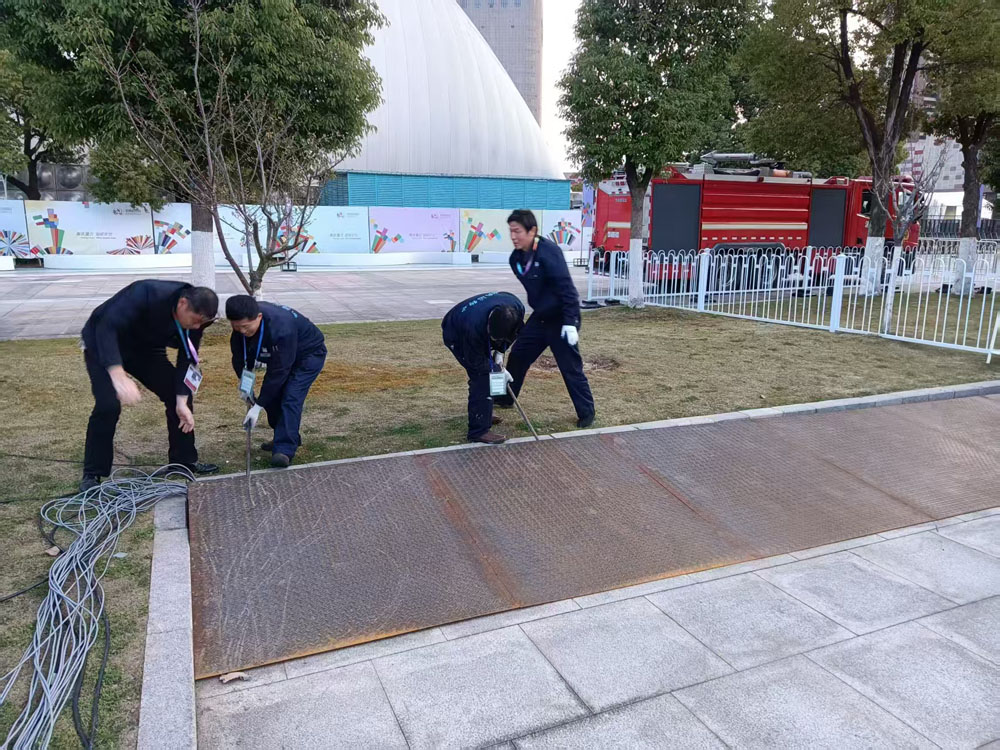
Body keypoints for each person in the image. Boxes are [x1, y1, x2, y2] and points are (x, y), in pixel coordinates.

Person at [80, 280, 220, 492]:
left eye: (202, 323)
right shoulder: (145, 293)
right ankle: (93, 473)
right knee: (108, 405)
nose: (197, 327)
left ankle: (183, 462)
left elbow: (187, 357)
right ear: (182, 303)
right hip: (103, 344)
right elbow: (106, 326)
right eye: (195, 321)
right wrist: (118, 375)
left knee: (177, 394)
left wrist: (182, 401)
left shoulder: (198, 320)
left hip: (145, 350)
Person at [494, 209, 595, 427]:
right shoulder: (516, 259)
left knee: (570, 366)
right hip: (540, 317)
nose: (513, 236)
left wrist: (571, 323)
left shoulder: (549, 252)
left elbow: (567, 290)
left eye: (517, 231)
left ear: (532, 231)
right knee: (518, 355)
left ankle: (587, 412)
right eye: (511, 231)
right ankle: (506, 397)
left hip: (561, 319)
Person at [226, 295, 327, 468]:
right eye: (236, 327)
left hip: (308, 354)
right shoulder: (242, 324)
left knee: (291, 396)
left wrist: (258, 406)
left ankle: (284, 450)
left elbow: (279, 371)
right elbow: (239, 357)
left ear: (258, 317)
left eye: (245, 327)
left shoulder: (281, 327)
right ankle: (285, 435)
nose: (241, 331)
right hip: (281, 355)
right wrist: (245, 386)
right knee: (272, 397)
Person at [442, 292, 525, 444]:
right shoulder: (471, 328)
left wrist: (500, 352)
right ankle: (478, 431)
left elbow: (514, 333)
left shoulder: (516, 307)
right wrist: (495, 369)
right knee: (481, 377)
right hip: (456, 332)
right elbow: (477, 362)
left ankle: (485, 411)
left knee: (495, 371)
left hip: (478, 325)